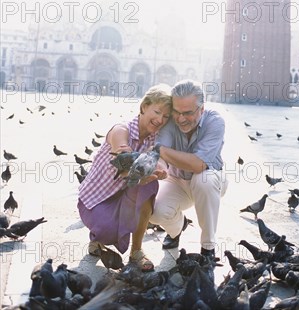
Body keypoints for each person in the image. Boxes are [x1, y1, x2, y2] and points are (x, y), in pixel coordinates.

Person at [77, 84, 172, 271]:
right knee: (106, 231)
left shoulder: (156, 139)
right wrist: (136, 170)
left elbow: (161, 160)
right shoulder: (121, 130)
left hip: (123, 196)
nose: (161, 119)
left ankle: (136, 251)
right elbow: (122, 154)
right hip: (96, 200)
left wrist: (161, 169)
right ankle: (97, 236)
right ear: (144, 106)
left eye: (166, 116)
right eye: (157, 112)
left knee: (149, 185)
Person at [150, 79, 228, 258]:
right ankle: (177, 229)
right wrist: (160, 160)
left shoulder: (215, 121)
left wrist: (161, 150)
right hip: (176, 181)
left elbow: (198, 164)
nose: (181, 118)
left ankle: (208, 249)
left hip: (211, 179)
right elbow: (160, 156)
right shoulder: (170, 121)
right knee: (154, 211)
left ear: (201, 109)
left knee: (203, 180)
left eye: (187, 113)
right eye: (176, 111)